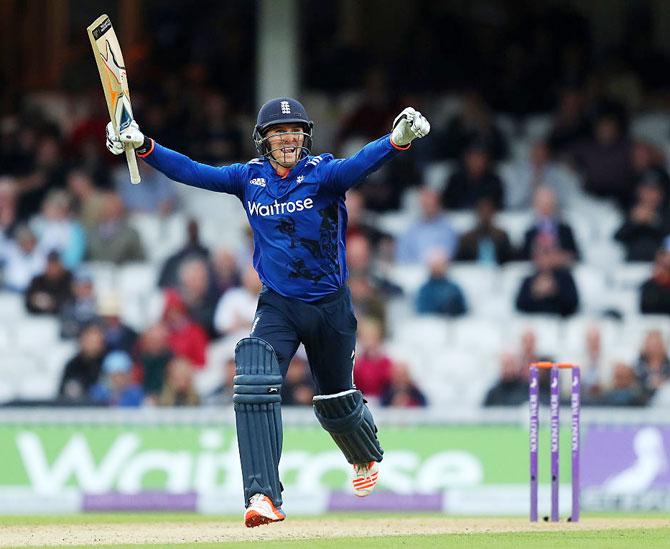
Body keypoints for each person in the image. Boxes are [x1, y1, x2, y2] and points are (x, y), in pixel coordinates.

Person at [106, 97, 430, 526]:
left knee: (335, 398)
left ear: (305, 136)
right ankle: (261, 495)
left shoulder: (324, 174)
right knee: (254, 378)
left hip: (330, 305)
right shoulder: (249, 179)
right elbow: (193, 171)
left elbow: (360, 164)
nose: (288, 138)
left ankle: (364, 456)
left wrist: (396, 140)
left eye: (294, 130)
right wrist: (144, 144)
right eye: (279, 132)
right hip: (278, 303)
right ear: (264, 140)